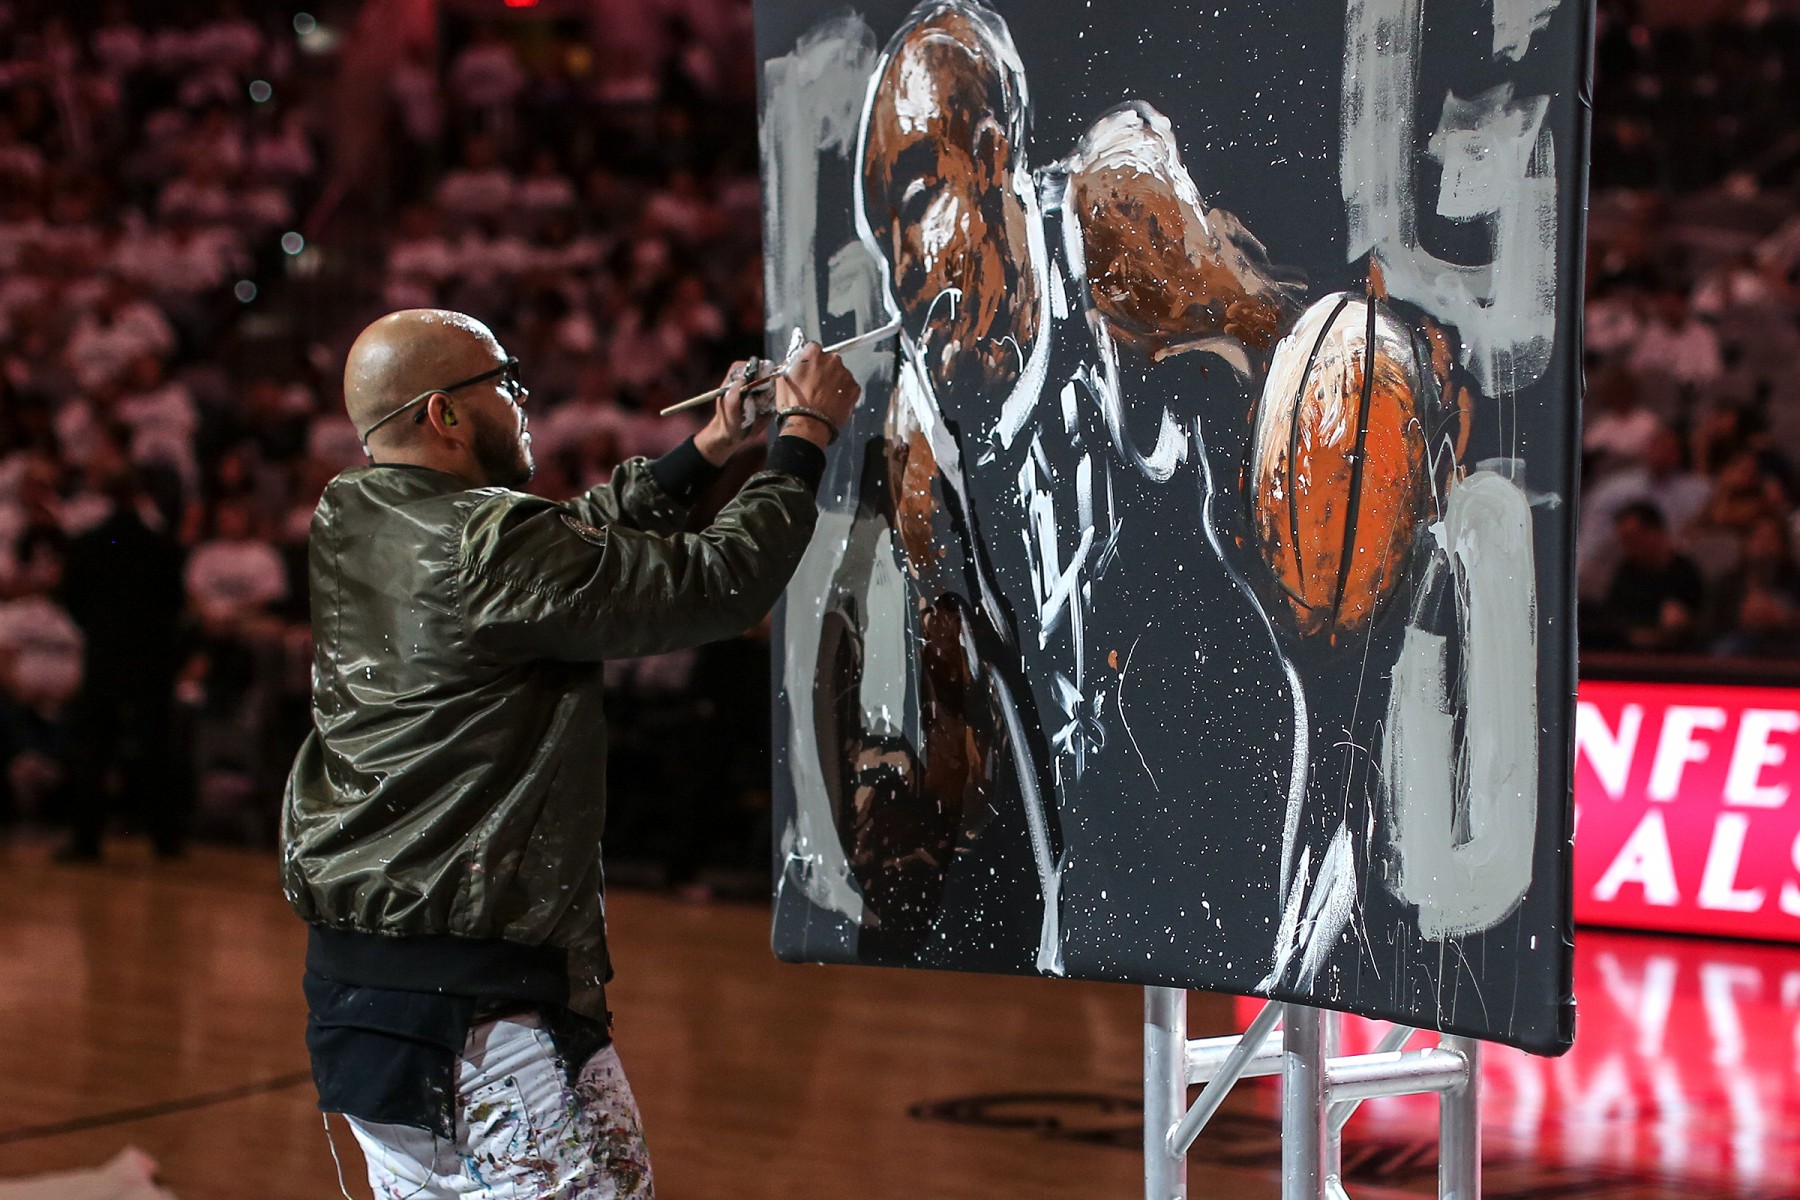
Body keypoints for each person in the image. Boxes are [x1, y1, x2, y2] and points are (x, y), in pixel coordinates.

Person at [280, 308, 858, 1199]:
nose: (523, 403)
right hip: (479, 1016)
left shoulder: (351, 514)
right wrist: (802, 438)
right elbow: (715, 583)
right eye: (504, 382)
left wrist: (708, 448)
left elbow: (563, 545)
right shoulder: (486, 545)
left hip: (361, 999)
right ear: (445, 414)